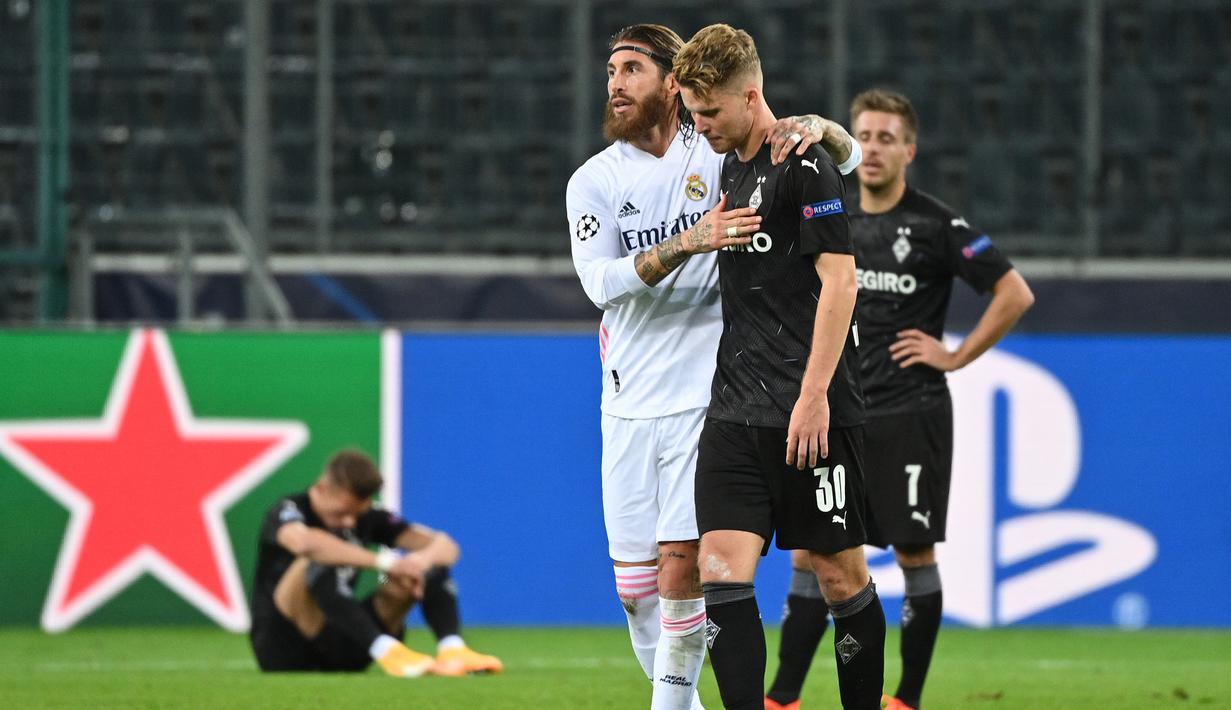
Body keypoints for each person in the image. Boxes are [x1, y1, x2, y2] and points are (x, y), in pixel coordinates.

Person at [566, 23, 862, 710]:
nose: (615, 84)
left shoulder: (720, 143)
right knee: (635, 590)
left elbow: (843, 165)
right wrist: (688, 241)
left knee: (683, 572)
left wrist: (820, 127)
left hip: (708, 397)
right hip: (627, 398)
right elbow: (598, 285)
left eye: (631, 69)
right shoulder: (595, 181)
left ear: (671, 82)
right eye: (610, 71)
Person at [765, 89, 1035, 710]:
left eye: (887, 138)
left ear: (909, 151)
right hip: (841, 412)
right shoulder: (831, 214)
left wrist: (955, 355)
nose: (875, 148)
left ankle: (905, 699)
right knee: (810, 550)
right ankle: (783, 697)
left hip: (911, 413)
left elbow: (1014, 292)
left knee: (914, 550)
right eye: (865, 135)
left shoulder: (937, 225)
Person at [673, 24, 885, 710]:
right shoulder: (729, 164)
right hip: (735, 408)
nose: (699, 124)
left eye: (709, 111)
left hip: (810, 411)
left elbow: (841, 282)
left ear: (750, 96)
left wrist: (814, 396)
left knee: (839, 577)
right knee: (718, 571)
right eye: (692, 111)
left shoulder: (802, 162)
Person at [249, 449, 502, 677]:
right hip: (283, 647)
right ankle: (387, 650)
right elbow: (304, 543)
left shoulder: (369, 517)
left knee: (424, 564)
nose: (350, 522)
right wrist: (386, 562)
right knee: (319, 553)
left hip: (344, 645)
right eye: (341, 513)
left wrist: (418, 562)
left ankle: (452, 650)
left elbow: (446, 546)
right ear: (321, 489)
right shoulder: (289, 510)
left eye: (356, 514)